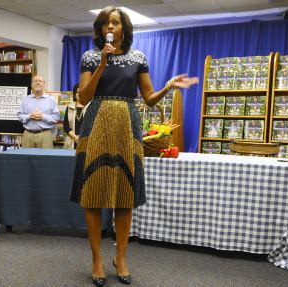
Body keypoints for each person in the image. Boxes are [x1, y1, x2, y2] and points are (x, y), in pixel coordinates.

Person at [69, 6, 198, 286]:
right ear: (100, 30)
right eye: (105, 24)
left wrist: (169, 86)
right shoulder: (90, 57)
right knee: (93, 194)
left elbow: (149, 98)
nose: (110, 27)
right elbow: (83, 97)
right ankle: (97, 259)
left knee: (125, 194)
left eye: (115, 22)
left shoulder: (138, 57)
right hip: (96, 123)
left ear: (124, 28)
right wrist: (102, 63)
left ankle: (122, 257)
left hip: (128, 125)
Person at [17, 75, 60, 148]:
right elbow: (19, 116)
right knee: (26, 158)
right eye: (35, 81)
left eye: (40, 81)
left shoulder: (51, 100)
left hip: (45, 135)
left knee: (45, 158)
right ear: (32, 84)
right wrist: (29, 116)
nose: (38, 83)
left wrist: (43, 117)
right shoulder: (25, 99)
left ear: (44, 84)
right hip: (28, 135)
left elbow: (56, 117)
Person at [63, 83, 88, 149]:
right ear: (74, 94)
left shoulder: (89, 107)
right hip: (72, 141)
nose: (79, 94)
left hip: (86, 141)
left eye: (81, 92)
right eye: (77, 92)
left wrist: (82, 138)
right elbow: (66, 125)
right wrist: (75, 137)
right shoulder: (69, 107)